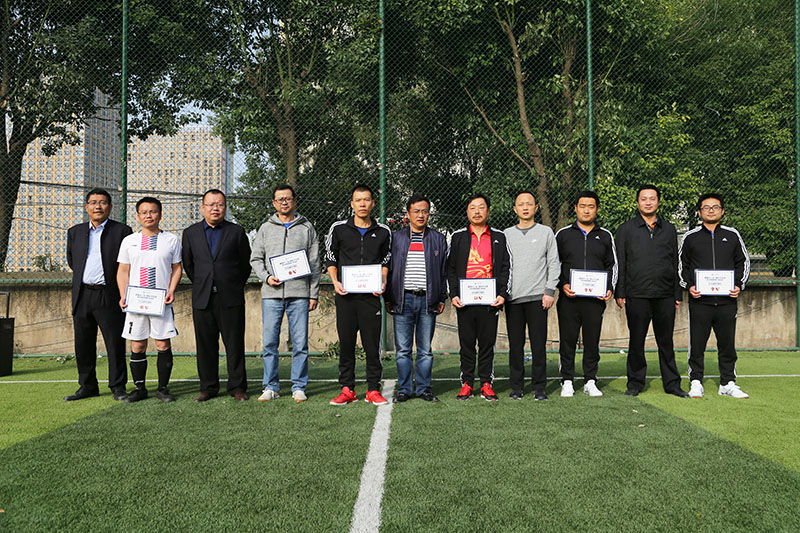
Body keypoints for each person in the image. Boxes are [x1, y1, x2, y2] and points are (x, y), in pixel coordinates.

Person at [615, 185, 689, 398]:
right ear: (637, 202)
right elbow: (621, 262)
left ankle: (672, 384)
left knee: (666, 342)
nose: (648, 202)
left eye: (652, 198)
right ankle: (635, 383)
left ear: (658, 201)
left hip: (665, 295)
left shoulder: (669, 229)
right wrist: (620, 292)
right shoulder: (626, 229)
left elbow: (675, 261)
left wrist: (677, 293)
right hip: (636, 294)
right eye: (644, 199)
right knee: (636, 341)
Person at [250, 184, 320, 402]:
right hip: (271, 294)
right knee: (270, 343)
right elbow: (255, 259)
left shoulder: (307, 227)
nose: (284, 202)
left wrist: (313, 293)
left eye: (288, 198)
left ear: (294, 201)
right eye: (280, 199)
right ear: (274, 203)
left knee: (300, 344)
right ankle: (270, 386)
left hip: (299, 294)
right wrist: (266, 277)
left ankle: (299, 386)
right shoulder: (265, 228)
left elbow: (314, 263)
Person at [182, 189, 252, 402]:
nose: (215, 208)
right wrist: (204, 282)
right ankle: (208, 387)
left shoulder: (236, 232)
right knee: (205, 345)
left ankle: (237, 387)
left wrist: (231, 284)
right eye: (211, 204)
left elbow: (245, 264)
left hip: (230, 297)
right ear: (203, 207)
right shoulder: (190, 233)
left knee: (234, 344)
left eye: (220, 204)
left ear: (225, 207)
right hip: (203, 297)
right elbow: (189, 265)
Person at [679, 193, 750, 399]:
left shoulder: (732, 235)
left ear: (722, 211)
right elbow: (681, 265)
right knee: (697, 343)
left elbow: (743, 262)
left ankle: (727, 383)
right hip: (700, 301)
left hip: (727, 301)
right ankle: (695, 381)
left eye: (715, 207)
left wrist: (738, 285)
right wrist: (689, 286)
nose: (711, 210)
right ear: (699, 212)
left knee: (727, 343)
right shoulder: (690, 237)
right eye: (706, 207)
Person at [326, 184, 392, 406]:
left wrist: (382, 281)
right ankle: (347, 389)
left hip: (370, 298)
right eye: (358, 200)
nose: (362, 204)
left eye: (366, 199)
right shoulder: (338, 229)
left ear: (372, 203)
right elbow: (331, 257)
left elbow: (386, 260)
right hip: (345, 297)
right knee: (346, 345)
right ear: (352, 204)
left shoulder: (383, 231)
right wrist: (335, 282)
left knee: (372, 346)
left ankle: (373, 389)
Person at [65, 188, 133, 401]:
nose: (98, 206)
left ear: (110, 207)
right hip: (82, 295)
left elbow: (127, 263)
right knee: (83, 343)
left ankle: (118, 386)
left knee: (114, 343)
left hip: (109, 295)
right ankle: (87, 386)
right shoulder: (75, 232)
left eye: (103, 202)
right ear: (86, 207)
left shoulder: (122, 231)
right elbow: (72, 261)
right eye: (93, 202)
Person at [117, 197, 182, 403]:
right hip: (136, 302)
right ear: (138, 216)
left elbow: (177, 267)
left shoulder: (171, 240)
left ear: (160, 214)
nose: (148, 216)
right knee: (137, 344)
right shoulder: (129, 241)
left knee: (162, 343)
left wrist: (171, 290)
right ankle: (140, 389)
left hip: (160, 301)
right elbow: (123, 270)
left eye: (153, 211)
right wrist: (123, 295)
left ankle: (162, 389)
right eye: (144, 212)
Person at [447, 193, 511, 402]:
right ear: (467, 212)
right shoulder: (458, 237)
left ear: (488, 211)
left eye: (481, 207)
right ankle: (466, 383)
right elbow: (450, 268)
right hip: (465, 302)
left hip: (489, 302)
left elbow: (505, 268)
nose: (477, 211)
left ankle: (486, 383)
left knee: (487, 344)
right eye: (472, 207)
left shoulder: (499, 237)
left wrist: (502, 294)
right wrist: (453, 294)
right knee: (466, 344)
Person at [385, 193, 448, 403]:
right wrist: (388, 297)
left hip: (428, 300)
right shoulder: (396, 238)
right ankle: (404, 389)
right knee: (403, 350)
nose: (421, 215)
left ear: (429, 214)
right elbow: (388, 269)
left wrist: (442, 298)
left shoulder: (438, 239)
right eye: (416, 211)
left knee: (425, 350)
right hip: (403, 299)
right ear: (408, 213)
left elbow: (443, 272)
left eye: (425, 211)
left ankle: (423, 389)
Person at [555, 190, 616, 398]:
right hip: (568, 299)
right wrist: (562, 284)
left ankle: (590, 380)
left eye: (591, 206)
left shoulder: (605, 235)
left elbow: (612, 265)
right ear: (575, 209)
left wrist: (609, 287)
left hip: (594, 300)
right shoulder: (563, 234)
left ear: (596, 209)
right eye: (582, 206)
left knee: (592, 340)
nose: (586, 210)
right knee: (567, 340)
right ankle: (567, 380)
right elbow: (554, 264)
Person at [503, 191, 560, 401]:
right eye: (521, 204)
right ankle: (516, 387)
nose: (525, 207)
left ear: (536, 208)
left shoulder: (546, 233)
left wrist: (549, 291)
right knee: (515, 346)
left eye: (529, 204)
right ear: (515, 209)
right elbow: (502, 266)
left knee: (538, 345)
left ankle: (539, 388)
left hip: (538, 298)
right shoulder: (506, 234)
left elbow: (554, 263)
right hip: (513, 300)